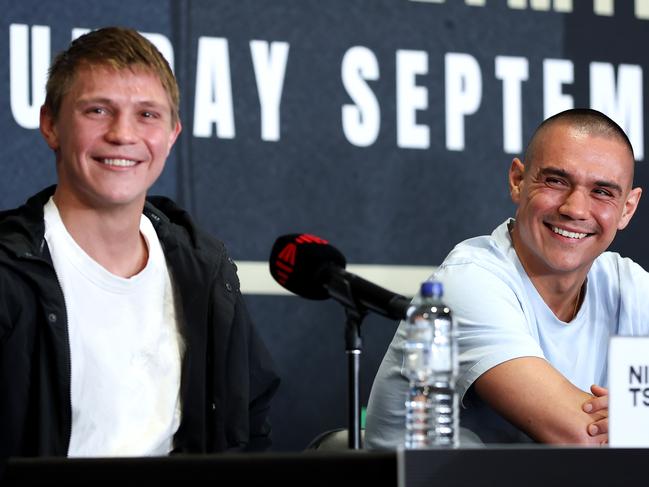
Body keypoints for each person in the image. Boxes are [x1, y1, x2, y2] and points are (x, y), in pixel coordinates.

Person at [0, 27, 279, 458]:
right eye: (97, 110)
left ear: (172, 134)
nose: (123, 134)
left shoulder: (204, 269)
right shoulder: (8, 270)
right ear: (51, 125)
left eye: (147, 114)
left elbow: (249, 427)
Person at [365, 108, 648, 447]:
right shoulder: (468, 284)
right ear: (518, 181)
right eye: (557, 181)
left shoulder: (627, 284)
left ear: (627, 209)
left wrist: (631, 418)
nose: (575, 208)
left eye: (602, 191)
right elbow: (581, 436)